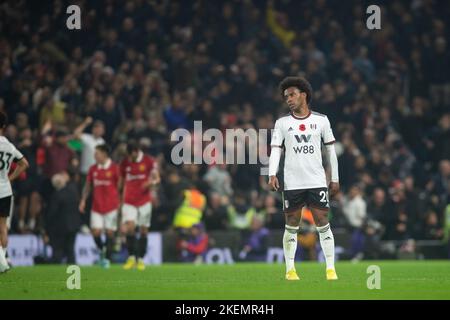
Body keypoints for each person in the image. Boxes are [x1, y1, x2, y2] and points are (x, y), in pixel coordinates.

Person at [268, 76, 339, 281]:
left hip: (316, 180)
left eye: (292, 95)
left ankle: (330, 269)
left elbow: (331, 152)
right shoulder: (282, 123)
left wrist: (334, 178)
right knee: (291, 223)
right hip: (292, 181)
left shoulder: (321, 120)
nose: (288, 99)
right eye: (286, 97)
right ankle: (290, 270)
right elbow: (275, 151)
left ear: (303, 95)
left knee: (322, 222)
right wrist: (272, 173)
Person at [79, 144, 120, 268]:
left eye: (97, 153)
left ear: (104, 154)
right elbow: (88, 185)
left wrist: (121, 202)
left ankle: (107, 259)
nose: (94, 156)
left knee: (109, 233)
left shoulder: (115, 168)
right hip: (96, 206)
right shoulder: (93, 169)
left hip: (111, 207)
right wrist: (83, 200)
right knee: (95, 232)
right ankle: (103, 251)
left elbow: (121, 187)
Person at [120, 142, 160, 271]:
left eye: (131, 155)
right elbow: (120, 182)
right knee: (130, 227)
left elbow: (157, 179)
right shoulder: (125, 163)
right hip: (129, 201)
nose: (129, 158)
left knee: (143, 230)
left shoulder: (149, 161)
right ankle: (131, 257)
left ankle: (141, 259)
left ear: (136, 151)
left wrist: (150, 183)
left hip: (144, 201)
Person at [0, 111, 29, 272]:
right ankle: (3, 260)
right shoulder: (9, 146)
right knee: (3, 227)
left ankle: (2, 263)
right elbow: (24, 163)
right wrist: (10, 178)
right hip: (5, 190)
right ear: (4, 126)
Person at [46, 171, 81, 264]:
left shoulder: (56, 196)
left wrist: (47, 227)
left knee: (58, 249)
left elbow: (52, 213)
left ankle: (57, 269)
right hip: (74, 225)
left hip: (60, 227)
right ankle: (73, 268)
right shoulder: (73, 191)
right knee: (70, 249)